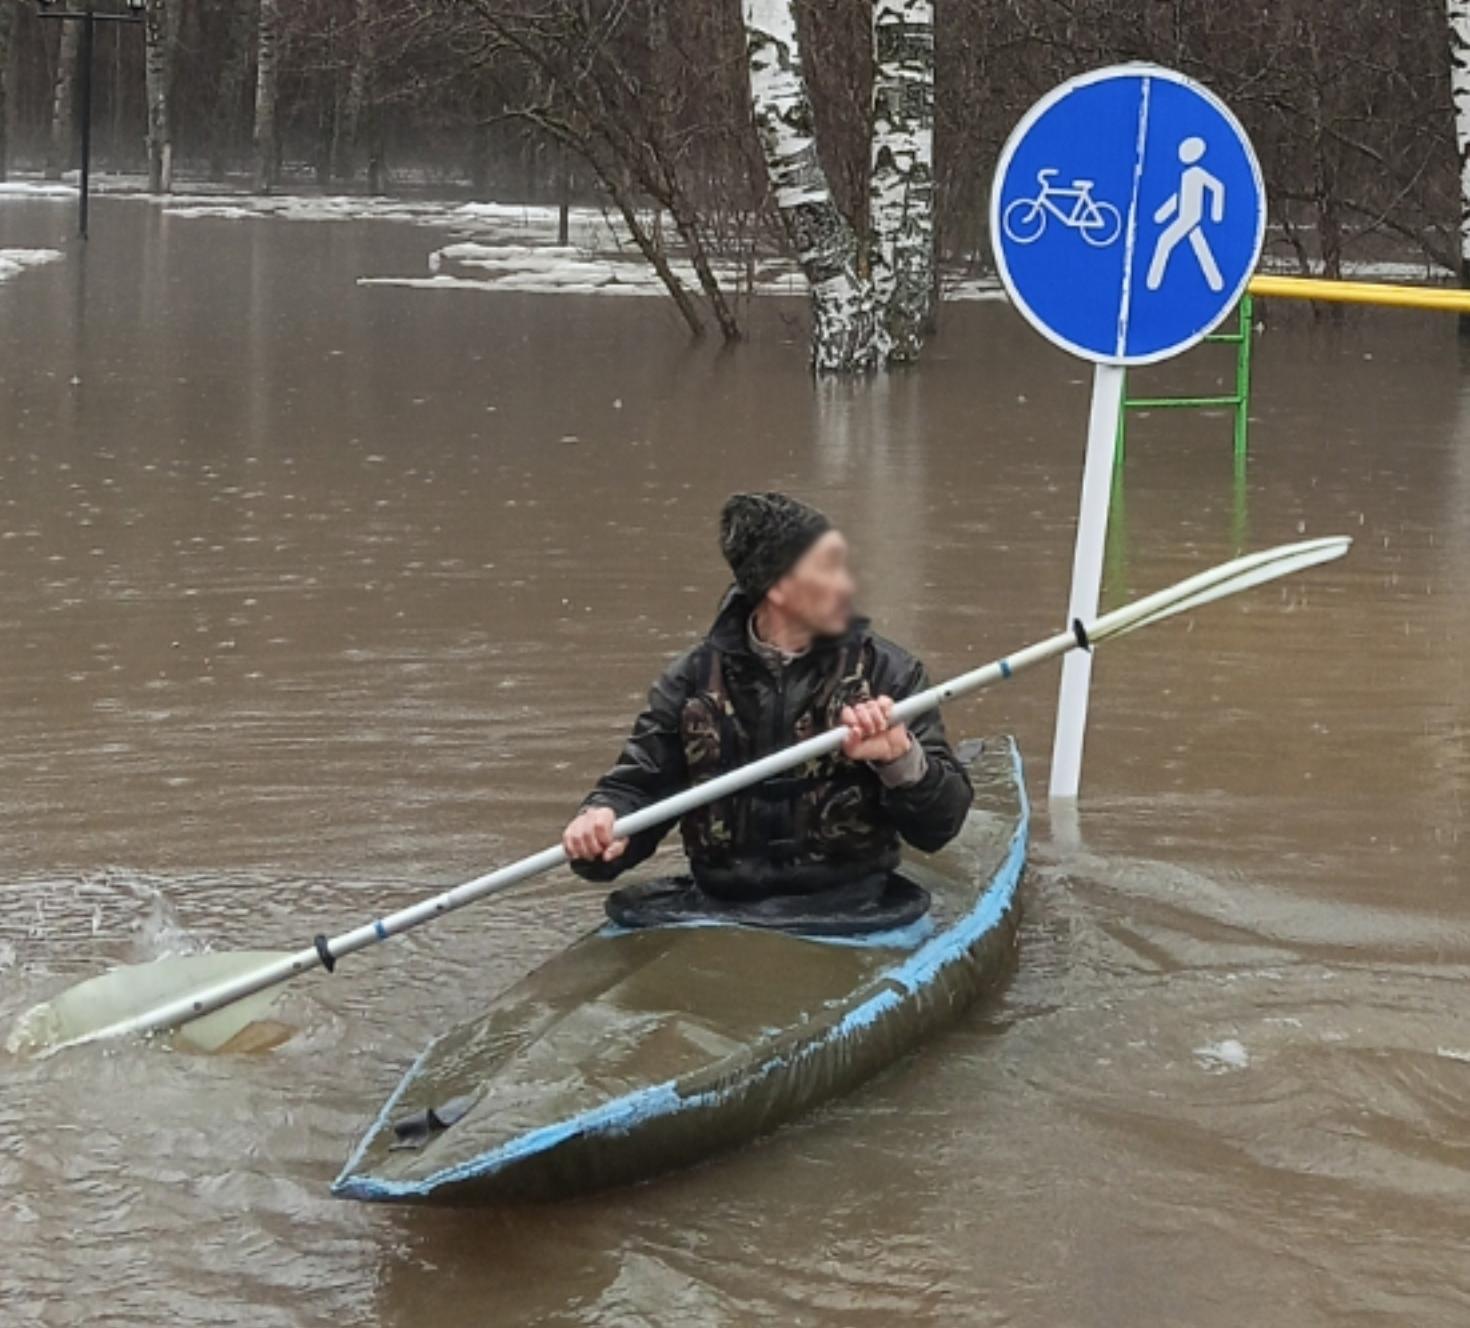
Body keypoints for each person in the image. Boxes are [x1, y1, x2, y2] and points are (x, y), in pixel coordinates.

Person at [562, 492, 974, 905]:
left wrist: (899, 759)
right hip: (720, 905)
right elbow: (635, 792)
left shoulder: (889, 672)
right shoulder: (690, 680)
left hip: (851, 907)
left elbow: (941, 826)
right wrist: (599, 824)